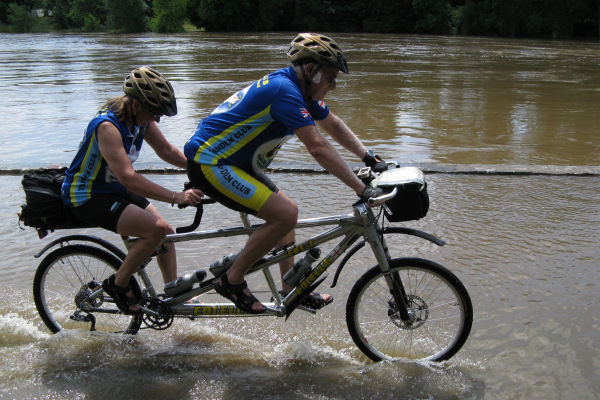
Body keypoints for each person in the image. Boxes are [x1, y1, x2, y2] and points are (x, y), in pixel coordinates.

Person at [184, 33, 386, 314]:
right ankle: (232, 280)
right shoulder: (285, 92)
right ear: (311, 70)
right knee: (285, 214)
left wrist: (369, 157)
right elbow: (317, 147)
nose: (334, 85)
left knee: (287, 212)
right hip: (211, 162)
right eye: (330, 77)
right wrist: (361, 189)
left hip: (235, 163)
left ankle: (291, 290)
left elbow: (333, 125)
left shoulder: (301, 90)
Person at [61, 66, 204, 313]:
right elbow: (128, 177)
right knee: (155, 230)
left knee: (166, 233)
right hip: (87, 195)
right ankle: (118, 284)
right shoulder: (108, 126)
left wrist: (201, 170)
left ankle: (173, 292)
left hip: (111, 188)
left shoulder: (140, 120)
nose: (157, 119)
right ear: (137, 105)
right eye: (155, 112)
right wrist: (176, 196)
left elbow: (167, 151)